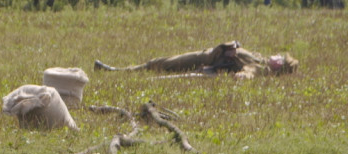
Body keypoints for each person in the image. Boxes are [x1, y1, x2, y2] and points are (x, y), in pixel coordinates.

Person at [94, 41, 298, 80]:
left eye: (280, 58)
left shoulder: (261, 69)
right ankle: (119, 71)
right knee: (161, 63)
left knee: (164, 65)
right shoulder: (261, 59)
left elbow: (244, 76)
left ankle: (117, 72)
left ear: (279, 66)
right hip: (208, 55)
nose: (276, 56)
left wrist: (215, 70)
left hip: (206, 62)